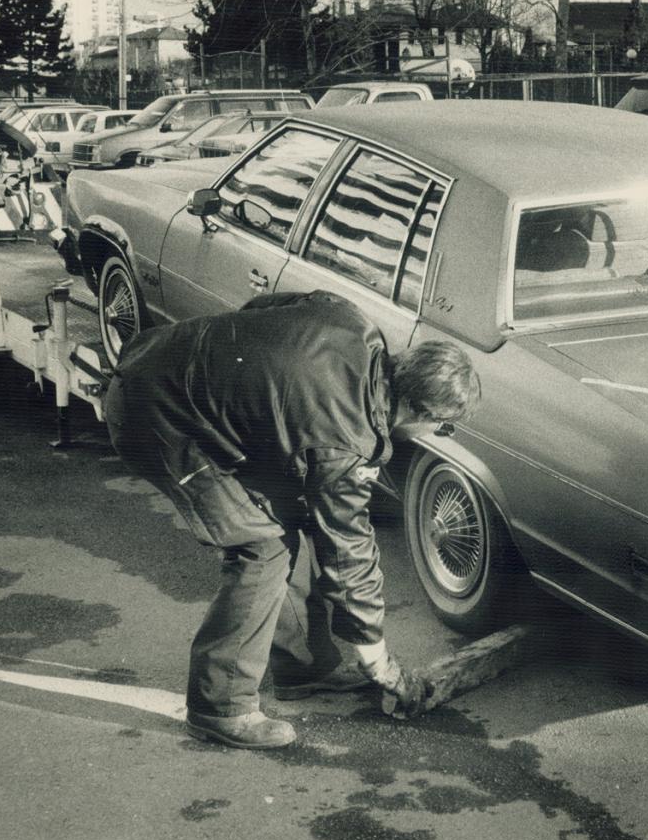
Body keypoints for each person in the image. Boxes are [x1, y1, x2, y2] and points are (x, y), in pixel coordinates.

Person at [103, 290, 480, 749]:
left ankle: (305, 667)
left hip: (164, 363)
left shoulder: (351, 320)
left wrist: (248, 395)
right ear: (422, 413)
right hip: (154, 416)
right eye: (444, 426)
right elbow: (347, 554)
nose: (440, 434)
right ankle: (219, 707)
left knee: (287, 518)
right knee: (259, 549)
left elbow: (257, 307)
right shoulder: (345, 441)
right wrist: (378, 660)